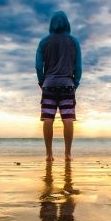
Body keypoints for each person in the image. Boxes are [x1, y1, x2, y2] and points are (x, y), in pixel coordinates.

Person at [35, 11, 82, 162]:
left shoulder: (44, 42)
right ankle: (67, 154)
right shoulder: (74, 42)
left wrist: (42, 81)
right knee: (68, 119)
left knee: (48, 119)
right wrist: (76, 82)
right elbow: (78, 66)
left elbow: (38, 65)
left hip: (49, 84)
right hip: (67, 85)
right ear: (67, 23)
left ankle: (49, 154)